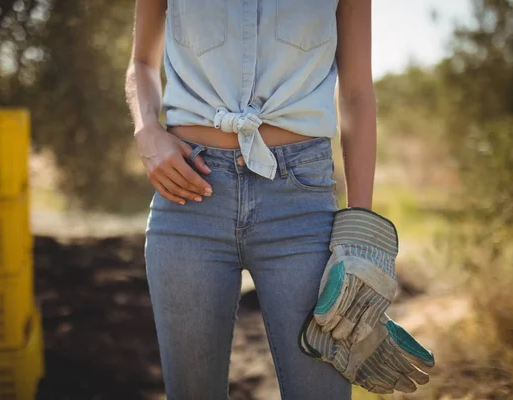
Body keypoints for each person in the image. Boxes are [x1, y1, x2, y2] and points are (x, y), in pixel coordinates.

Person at [125, 1, 376, 398]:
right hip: (189, 195)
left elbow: (358, 93)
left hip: (301, 203)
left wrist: (362, 232)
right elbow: (141, 62)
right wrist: (147, 131)